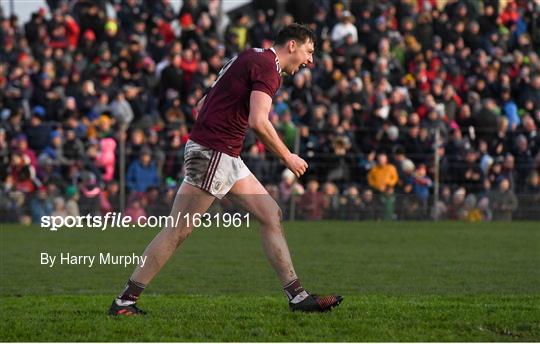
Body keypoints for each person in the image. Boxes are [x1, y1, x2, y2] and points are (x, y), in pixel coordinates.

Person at [109, 24, 342, 316]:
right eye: (309, 52)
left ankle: (298, 298)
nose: (310, 61)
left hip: (223, 154)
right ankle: (124, 302)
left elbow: (202, 103)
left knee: (270, 214)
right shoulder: (269, 67)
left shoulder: (251, 57)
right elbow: (259, 121)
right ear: (292, 46)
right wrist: (288, 156)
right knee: (178, 230)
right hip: (214, 153)